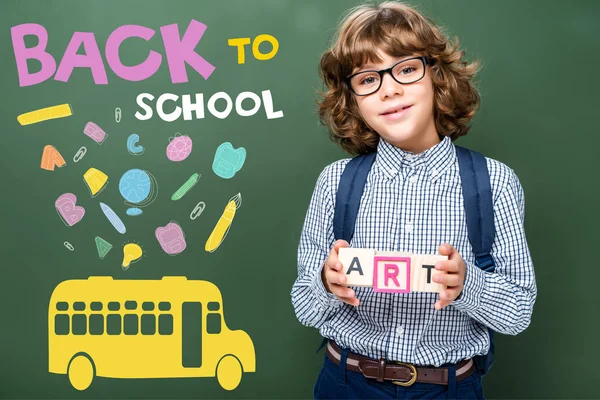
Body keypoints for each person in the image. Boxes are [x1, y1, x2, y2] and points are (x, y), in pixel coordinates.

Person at [291, 1, 537, 399]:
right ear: (352, 99)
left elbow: (518, 312)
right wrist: (326, 283)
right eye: (368, 79)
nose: (389, 88)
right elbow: (304, 305)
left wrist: (466, 284)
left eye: (406, 69)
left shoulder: (494, 182)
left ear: (437, 77)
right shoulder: (336, 183)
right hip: (346, 383)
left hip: (449, 388)